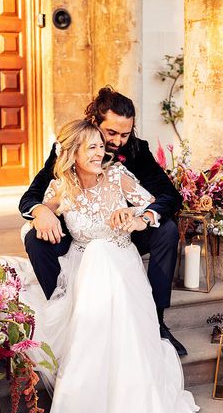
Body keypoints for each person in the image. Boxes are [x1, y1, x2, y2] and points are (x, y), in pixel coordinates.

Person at [15, 119, 209, 413]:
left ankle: (134, 408)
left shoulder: (118, 174)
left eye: (100, 147)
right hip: (87, 274)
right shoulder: (61, 187)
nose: (100, 152)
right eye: (91, 148)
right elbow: (33, 207)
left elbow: (153, 205)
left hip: (121, 271)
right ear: (71, 155)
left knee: (106, 254)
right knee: (91, 258)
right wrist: (42, 212)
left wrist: (137, 218)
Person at [19, 86, 187, 356]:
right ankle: (63, 315)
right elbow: (32, 196)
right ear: (95, 123)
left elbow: (169, 196)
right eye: (111, 133)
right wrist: (42, 211)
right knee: (34, 240)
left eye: (125, 133)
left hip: (124, 230)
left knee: (166, 229)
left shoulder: (136, 151)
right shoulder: (69, 147)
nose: (118, 141)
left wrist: (143, 215)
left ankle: (156, 321)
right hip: (80, 232)